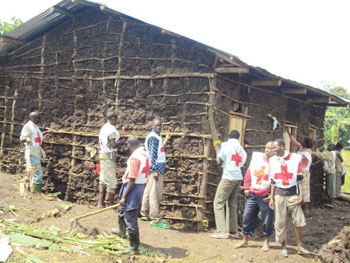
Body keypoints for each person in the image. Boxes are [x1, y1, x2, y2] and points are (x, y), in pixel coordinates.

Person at [269, 139, 309, 258]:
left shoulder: (295, 158)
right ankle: (283, 246)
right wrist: (271, 197)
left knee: (298, 220)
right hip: (279, 194)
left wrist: (301, 194)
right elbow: (272, 180)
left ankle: (299, 246)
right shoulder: (272, 160)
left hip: (292, 193)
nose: (273, 150)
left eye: (275, 148)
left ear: (282, 146)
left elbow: (299, 178)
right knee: (280, 222)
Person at [235, 141, 275, 251]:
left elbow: (277, 180)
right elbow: (249, 172)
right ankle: (245, 240)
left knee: (267, 219)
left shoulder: (276, 163)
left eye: (271, 148)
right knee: (247, 216)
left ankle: (266, 241)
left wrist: (272, 195)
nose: (268, 150)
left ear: (275, 150)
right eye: (267, 147)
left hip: (265, 195)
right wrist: (246, 187)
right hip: (253, 193)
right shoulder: (257, 159)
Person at [115, 136, 150, 254]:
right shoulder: (145, 154)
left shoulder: (135, 158)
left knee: (130, 217)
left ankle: (134, 247)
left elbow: (132, 179)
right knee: (122, 211)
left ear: (129, 145)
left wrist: (124, 196)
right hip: (139, 186)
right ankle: (122, 232)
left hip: (133, 188)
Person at [211, 130, 247, 239]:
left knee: (218, 203)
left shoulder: (225, 145)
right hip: (238, 178)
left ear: (228, 136)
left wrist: (217, 150)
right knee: (232, 204)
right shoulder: (242, 150)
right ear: (238, 138)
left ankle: (222, 231)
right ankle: (233, 231)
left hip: (228, 177)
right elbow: (241, 163)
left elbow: (219, 161)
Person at [140, 117, 171, 228]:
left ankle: (144, 212)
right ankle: (155, 218)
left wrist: (166, 140)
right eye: (157, 125)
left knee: (149, 191)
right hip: (156, 169)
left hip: (156, 168)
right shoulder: (153, 137)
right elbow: (153, 155)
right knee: (155, 194)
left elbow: (159, 149)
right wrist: (155, 170)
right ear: (152, 126)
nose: (159, 127)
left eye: (160, 126)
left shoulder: (157, 136)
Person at [98, 112, 125, 207]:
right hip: (108, 157)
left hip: (103, 155)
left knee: (103, 180)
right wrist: (122, 142)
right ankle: (110, 206)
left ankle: (100, 203)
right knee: (112, 183)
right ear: (113, 119)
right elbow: (113, 144)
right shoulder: (111, 129)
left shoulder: (104, 128)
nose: (117, 121)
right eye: (116, 119)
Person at [20, 111, 50, 191]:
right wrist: (27, 139)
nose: (39, 120)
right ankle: (36, 190)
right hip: (32, 152)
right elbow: (22, 138)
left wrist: (45, 133)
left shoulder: (35, 127)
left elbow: (36, 137)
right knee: (37, 171)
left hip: (36, 151)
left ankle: (31, 187)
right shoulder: (28, 127)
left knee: (34, 170)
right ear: (34, 118)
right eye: (38, 118)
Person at [289, 133, 313, 215]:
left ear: (306, 144)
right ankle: (299, 207)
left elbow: (296, 158)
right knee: (298, 190)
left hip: (303, 173)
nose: (301, 143)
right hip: (298, 172)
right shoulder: (302, 149)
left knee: (304, 190)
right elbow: (295, 143)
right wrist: (290, 136)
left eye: (303, 142)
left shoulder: (307, 153)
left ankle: (305, 208)